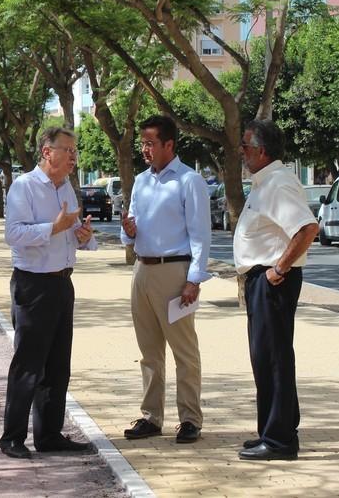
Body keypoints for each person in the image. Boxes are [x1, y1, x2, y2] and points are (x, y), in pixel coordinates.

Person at [0, 126, 97, 459]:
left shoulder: (67, 187)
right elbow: (12, 234)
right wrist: (52, 228)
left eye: (74, 151)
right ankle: (12, 437)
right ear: (47, 152)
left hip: (62, 283)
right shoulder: (24, 186)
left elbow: (70, 235)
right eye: (67, 150)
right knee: (28, 364)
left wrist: (83, 236)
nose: (73, 157)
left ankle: (50, 435)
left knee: (58, 365)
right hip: (33, 284)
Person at [120, 115, 211, 444]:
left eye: (150, 143)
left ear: (169, 145)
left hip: (175, 272)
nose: (144, 149)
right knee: (149, 351)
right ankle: (151, 416)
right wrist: (127, 231)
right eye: (142, 143)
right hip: (142, 269)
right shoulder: (142, 182)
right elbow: (130, 229)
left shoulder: (189, 181)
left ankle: (190, 418)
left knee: (184, 351)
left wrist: (194, 280)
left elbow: (200, 234)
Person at [233, 119, 318, 461]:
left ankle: (280, 440)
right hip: (261, 282)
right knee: (264, 359)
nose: (241, 152)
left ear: (262, 151)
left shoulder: (278, 183)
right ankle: (271, 430)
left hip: (273, 283)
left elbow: (307, 228)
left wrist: (278, 269)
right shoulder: (264, 181)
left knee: (275, 359)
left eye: (246, 146)